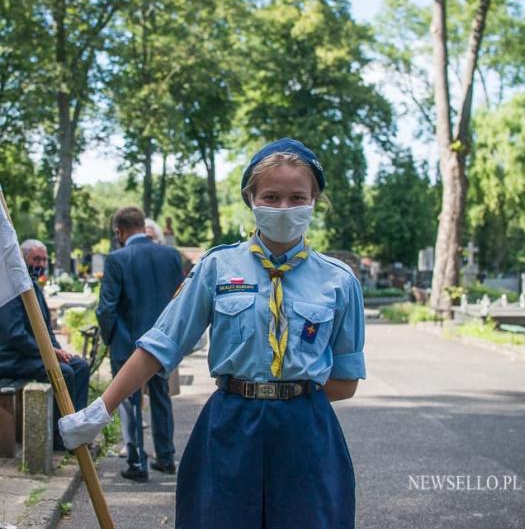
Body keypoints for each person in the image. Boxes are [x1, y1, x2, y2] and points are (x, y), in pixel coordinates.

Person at [60, 139, 366, 528]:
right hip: (231, 426)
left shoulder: (339, 282)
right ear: (250, 198)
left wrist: (287, 399)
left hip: (306, 434)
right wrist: (101, 410)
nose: (284, 208)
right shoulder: (217, 267)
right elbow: (161, 344)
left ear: (315, 200)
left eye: (296, 197)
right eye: (271, 196)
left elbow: (345, 380)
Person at [96, 206, 184, 482]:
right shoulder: (171, 256)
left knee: (130, 401)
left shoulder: (117, 259)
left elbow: (107, 308)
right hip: (163, 341)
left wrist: (109, 338)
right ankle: (167, 457)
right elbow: (180, 300)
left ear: (119, 231)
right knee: (161, 398)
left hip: (127, 341)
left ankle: (136, 461)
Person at [0, 239, 89, 451]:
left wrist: (58, 350)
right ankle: (58, 436)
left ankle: (76, 429)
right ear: (23, 259)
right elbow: (15, 335)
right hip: (11, 359)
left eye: (44, 259)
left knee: (80, 366)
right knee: (64, 373)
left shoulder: (31, 285)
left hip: (31, 356)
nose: (41, 264)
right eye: (36, 259)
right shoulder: (10, 287)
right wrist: (50, 353)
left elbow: (45, 329)